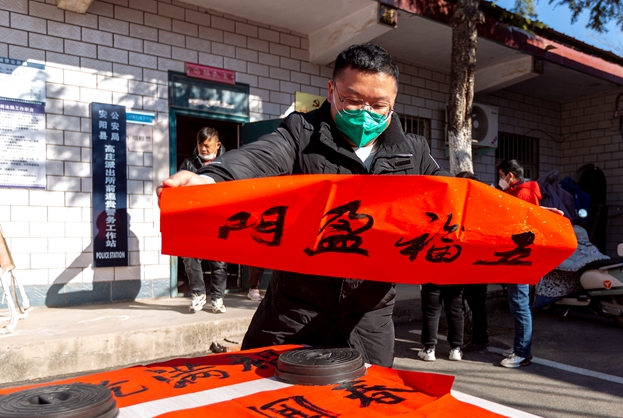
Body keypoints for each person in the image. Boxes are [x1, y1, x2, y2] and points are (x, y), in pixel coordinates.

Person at [158, 44, 444, 367]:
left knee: (362, 411)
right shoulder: (301, 133)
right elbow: (260, 157)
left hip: (369, 324)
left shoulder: (413, 152)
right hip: (292, 316)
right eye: (353, 100)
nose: (366, 115)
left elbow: (452, 202)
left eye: (379, 106)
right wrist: (211, 180)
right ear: (331, 90)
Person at [497, 159, 542, 368]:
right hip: (519, 255)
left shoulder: (522, 193)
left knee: (520, 304)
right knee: (518, 303)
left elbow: (518, 226)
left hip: (520, 255)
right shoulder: (521, 191)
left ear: (510, 176)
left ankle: (523, 352)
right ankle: (520, 346)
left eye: (501, 175)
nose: (500, 180)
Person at [179, 127, 228, 314]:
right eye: (201, 145)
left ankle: (217, 298)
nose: (204, 149)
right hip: (194, 221)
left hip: (220, 220)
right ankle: (198, 294)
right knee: (190, 259)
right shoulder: (188, 165)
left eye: (207, 145)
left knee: (219, 261)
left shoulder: (228, 163)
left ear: (218, 144)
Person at [455, 171, 489, 352]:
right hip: (473, 262)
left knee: (474, 302)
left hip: (473, 262)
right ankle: (477, 338)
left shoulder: (472, 208)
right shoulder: (480, 206)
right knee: (474, 302)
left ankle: (479, 339)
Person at [417, 283, 464, 362]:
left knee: (431, 313)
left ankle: (429, 349)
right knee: (456, 312)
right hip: (455, 277)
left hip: (432, 277)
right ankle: (456, 349)